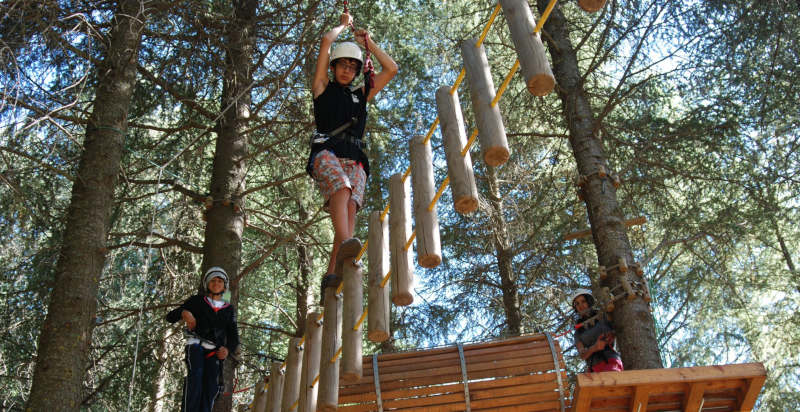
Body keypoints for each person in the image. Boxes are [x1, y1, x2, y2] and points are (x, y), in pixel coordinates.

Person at [306, 12, 398, 299]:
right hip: (326, 151)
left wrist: (368, 44)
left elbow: (391, 69)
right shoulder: (322, 88)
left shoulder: (360, 95)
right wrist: (343, 26)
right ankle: (349, 248)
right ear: (333, 67)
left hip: (355, 156)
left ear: (357, 71)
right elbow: (325, 42)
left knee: (348, 212)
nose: (346, 70)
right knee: (341, 188)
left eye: (352, 66)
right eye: (342, 65)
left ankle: (332, 276)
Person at [166, 267, 240, 412]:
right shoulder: (197, 301)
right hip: (196, 346)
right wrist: (184, 312)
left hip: (215, 351)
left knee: (211, 387)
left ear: (224, 286)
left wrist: (227, 349)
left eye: (220, 281)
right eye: (213, 280)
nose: (216, 283)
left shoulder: (229, 309)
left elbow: (233, 335)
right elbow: (170, 317)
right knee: (196, 379)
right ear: (207, 283)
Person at [570, 288, 624, 373]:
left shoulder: (604, 316)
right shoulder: (578, 332)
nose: (580, 306)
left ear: (589, 301)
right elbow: (582, 355)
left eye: (583, 301)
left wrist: (610, 336)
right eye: (577, 304)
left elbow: (617, 330)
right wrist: (594, 348)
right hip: (593, 368)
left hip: (611, 362)